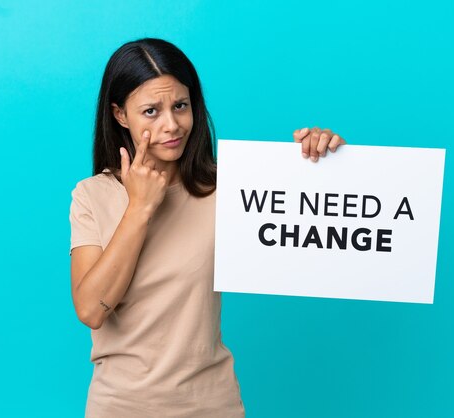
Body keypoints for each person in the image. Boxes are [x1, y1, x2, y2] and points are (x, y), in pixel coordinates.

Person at [68, 37, 346, 418]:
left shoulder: (231, 189)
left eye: (180, 106)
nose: (172, 125)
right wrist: (139, 208)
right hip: (120, 406)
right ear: (120, 115)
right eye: (151, 111)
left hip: (211, 405)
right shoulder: (92, 196)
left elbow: (315, 230)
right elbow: (91, 309)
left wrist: (323, 163)